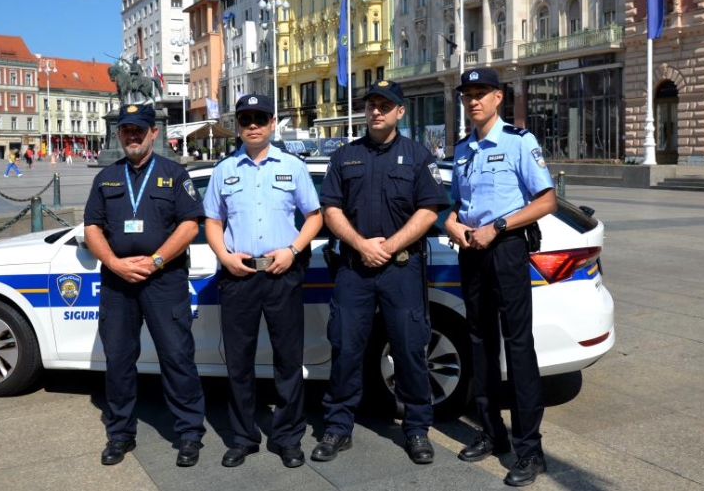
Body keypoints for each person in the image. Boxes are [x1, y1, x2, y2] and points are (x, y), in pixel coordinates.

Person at [312, 80, 449, 465]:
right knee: (346, 348)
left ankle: (417, 429)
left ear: (399, 112)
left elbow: (428, 210)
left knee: (409, 349)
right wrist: (362, 245)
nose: (376, 111)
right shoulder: (345, 157)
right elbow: (331, 210)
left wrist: (388, 247)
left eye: (385, 106)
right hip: (354, 268)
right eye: (371, 104)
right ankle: (338, 428)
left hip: (402, 269)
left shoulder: (419, 157)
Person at [444, 67, 556, 487]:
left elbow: (546, 200)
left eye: (481, 93)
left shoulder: (518, 143)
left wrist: (500, 227)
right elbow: (459, 202)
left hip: (506, 251)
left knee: (518, 346)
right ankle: (493, 434)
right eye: (467, 94)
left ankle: (530, 450)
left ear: (498, 98)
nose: (473, 100)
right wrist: (451, 222)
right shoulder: (461, 150)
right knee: (479, 344)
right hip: (471, 252)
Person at [202, 94, 323, 469]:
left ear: (272, 123)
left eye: (259, 118)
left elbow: (315, 216)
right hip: (238, 276)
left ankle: (288, 437)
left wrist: (292, 249)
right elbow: (212, 222)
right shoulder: (224, 170)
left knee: (289, 360)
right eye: (244, 119)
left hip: (281, 272)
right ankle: (243, 437)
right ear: (237, 126)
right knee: (238, 361)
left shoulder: (293, 167)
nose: (252, 125)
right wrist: (223, 256)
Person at [83, 104, 207, 468]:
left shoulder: (173, 173)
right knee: (119, 361)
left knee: (176, 356)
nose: (133, 136)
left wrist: (155, 261)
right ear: (119, 134)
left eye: (139, 129)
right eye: (126, 130)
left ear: (154, 132)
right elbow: (92, 227)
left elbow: (189, 225)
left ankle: (188, 434)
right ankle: (120, 434)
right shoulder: (106, 178)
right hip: (117, 283)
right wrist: (113, 263)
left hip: (163, 280)